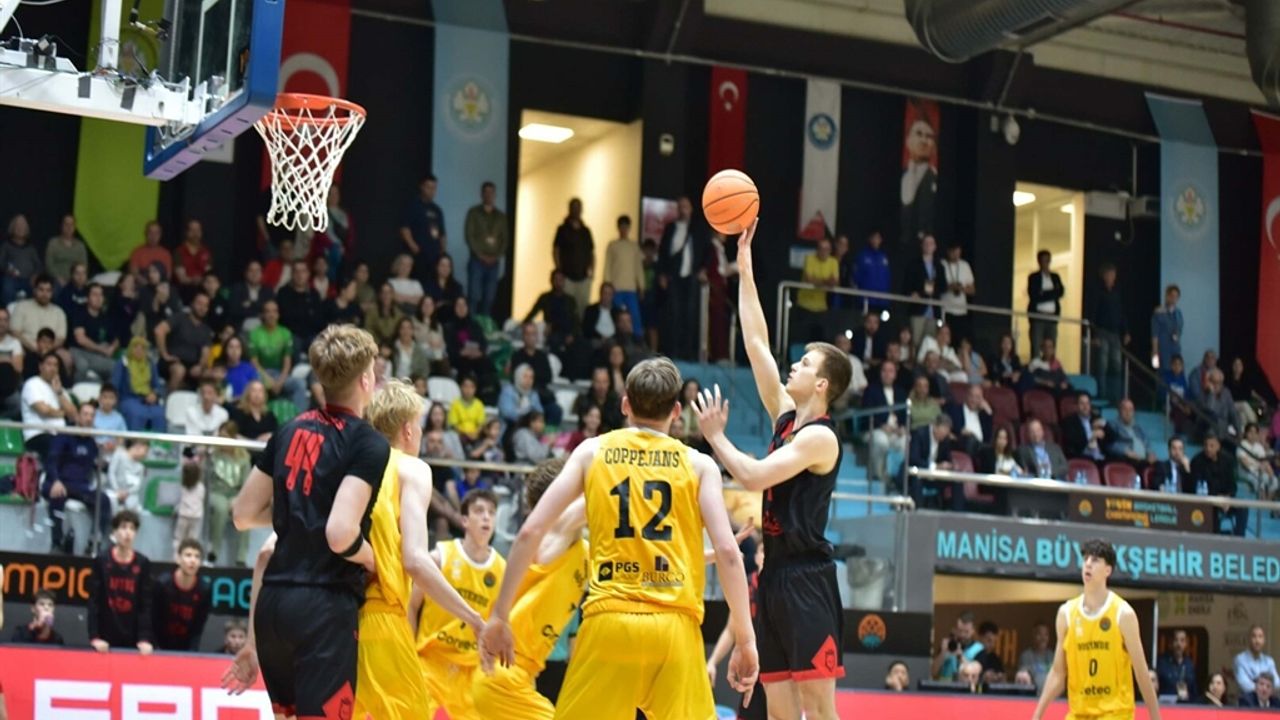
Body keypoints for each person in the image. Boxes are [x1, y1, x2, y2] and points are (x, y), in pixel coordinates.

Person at [478, 357, 759, 720]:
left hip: (609, 623)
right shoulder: (700, 465)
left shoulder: (591, 452)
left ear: (625, 404)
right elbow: (729, 553)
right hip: (674, 628)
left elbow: (530, 531)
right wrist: (745, 638)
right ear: (676, 411)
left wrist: (499, 615)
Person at [693, 219, 849, 719]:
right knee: (778, 709)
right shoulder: (786, 415)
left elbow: (755, 476)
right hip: (774, 575)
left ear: (822, 385)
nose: (794, 366)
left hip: (807, 578)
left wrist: (717, 438)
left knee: (818, 709)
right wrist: (745, 270)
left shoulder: (821, 437)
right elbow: (757, 344)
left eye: (804, 364)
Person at [226, 324, 391, 718]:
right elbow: (340, 533)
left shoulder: (288, 429)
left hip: (274, 606)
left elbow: (242, 514)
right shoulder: (367, 442)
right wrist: (375, 560)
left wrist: (294, 512)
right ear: (366, 380)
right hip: (323, 607)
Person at [354, 378, 489, 719]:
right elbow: (415, 560)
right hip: (380, 616)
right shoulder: (412, 468)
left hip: (335, 614)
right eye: (419, 424)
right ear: (407, 429)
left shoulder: (352, 466)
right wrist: (474, 619)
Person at [469, 456, 589, 719]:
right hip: (503, 679)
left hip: (517, 677)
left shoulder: (579, 547)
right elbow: (605, 493)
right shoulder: (553, 533)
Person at [1030, 538, 1161, 720]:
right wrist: (1036, 716)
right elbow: (1058, 673)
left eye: (1095, 560)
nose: (1088, 564)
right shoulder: (1066, 614)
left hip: (1115, 713)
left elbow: (1141, 672)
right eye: (1085, 559)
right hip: (1079, 714)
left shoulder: (1123, 614)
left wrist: (1156, 717)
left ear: (1108, 570)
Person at [411, 488, 505, 720]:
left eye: (491, 512)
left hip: (471, 674)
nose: (486, 517)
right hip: (431, 666)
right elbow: (411, 606)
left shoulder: (502, 570)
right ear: (464, 520)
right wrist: (408, 650)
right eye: (479, 511)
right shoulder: (439, 556)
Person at [44, 402, 110, 553]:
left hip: (80, 486)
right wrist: (55, 480)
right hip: (60, 482)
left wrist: (102, 461)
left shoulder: (92, 443)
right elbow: (52, 460)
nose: (88, 418)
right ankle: (57, 543)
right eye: (85, 414)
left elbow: (95, 464)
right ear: (78, 416)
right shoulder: (64, 435)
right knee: (58, 495)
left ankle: (94, 543)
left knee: (103, 500)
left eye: (92, 415)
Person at [87, 510, 154, 654]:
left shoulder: (143, 563)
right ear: (115, 532)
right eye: (123, 527)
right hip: (105, 636)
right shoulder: (101, 560)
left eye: (132, 528)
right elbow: (94, 601)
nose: (128, 533)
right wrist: (94, 636)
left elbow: (145, 605)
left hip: (133, 636)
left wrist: (144, 638)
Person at [657, 196, 708, 360]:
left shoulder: (698, 228)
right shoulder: (671, 228)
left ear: (691, 209)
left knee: (690, 315)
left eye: (686, 207)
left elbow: (705, 250)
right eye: (680, 207)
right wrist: (662, 273)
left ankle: (688, 352)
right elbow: (663, 252)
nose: (683, 210)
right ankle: (673, 351)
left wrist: (703, 269)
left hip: (691, 276)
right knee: (674, 314)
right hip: (674, 276)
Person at [153, 539, 212, 652]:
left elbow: (198, 627)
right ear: (178, 559)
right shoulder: (163, 584)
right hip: (160, 647)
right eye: (188, 555)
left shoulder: (204, 589)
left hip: (186, 649)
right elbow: (153, 620)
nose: (193, 560)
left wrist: (192, 652)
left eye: (197, 557)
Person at [248, 300, 308, 411]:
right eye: (268, 311)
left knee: (300, 384)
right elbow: (254, 362)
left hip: (280, 374)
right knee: (255, 384)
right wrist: (268, 380)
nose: (271, 315)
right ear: (263, 315)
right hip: (261, 373)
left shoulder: (285, 333)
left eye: (274, 311)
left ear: (278, 314)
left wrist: (280, 381)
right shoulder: (254, 334)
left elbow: (287, 362)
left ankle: (299, 418)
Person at [207, 421, 250, 566]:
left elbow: (247, 484)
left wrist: (238, 499)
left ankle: (241, 558)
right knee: (221, 507)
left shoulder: (244, 458)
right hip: (216, 492)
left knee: (245, 512)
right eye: (220, 436)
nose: (222, 441)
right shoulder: (213, 454)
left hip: (236, 493)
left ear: (233, 438)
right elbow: (206, 480)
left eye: (225, 437)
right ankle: (213, 552)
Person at [21, 351, 77, 460]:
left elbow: (74, 415)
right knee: (58, 446)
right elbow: (44, 410)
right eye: (49, 364)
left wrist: (59, 393)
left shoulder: (61, 390)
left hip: (59, 434)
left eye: (55, 365)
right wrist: (63, 413)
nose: (52, 368)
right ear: (41, 366)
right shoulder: (32, 384)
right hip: (38, 434)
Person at [465, 181, 508, 318]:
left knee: (489, 298)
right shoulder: (473, 213)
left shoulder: (501, 216)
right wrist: (480, 255)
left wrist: (496, 256)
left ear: (495, 195)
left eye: (491, 192)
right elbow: (469, 236)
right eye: (486, 192)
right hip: (477, 260)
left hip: (494, 262)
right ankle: (471, 325)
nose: (489, 195)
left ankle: (484, 326)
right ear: (482, 194)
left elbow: (505, 240)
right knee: (474, 296)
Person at [1191, 434, 1246, 536]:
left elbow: (1232, 484)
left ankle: (1239, 537)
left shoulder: (1228, 460)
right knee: (1212, 509)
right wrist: (1216, 498)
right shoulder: (1197, 461)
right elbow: (1197, 486)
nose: (1208, 449)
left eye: (1212, 446)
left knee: (1242, 506)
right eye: (1206, 445)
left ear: (1218, 446)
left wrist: (1228, 497)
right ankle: (1214, 535)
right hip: (1207, 498)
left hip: (1225, 499)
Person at [401, 174, 447, 286]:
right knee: (418, 284)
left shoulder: (437, 210)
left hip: (435, 256)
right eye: (429, 187)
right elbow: (404, 228)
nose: (431, 191)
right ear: (422, 187)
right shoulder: (413, 206)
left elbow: (442, 233)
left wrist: (442, 251)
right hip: (419, 255)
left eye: (434, 188)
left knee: (433, 285)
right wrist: (413, 246)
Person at [604, 214, 645, 338]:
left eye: (626, 227)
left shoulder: (634, 246)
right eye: (621, 226)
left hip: (631, 288)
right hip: (616, 288)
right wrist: (607, 285)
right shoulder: (612, 245)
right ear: (618, 228)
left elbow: (638, 268)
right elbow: (607, 266)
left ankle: (637, 341)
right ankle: (616, 340)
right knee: (616, 316)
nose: (624, 229)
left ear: (629, 228)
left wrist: (641, 286)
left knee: (635, 316)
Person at [903, 235, 945, 349]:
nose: (928, 246)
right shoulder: (914, 264)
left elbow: (943, 286)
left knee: (930, 344)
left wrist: (934, 290)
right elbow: (907, 285)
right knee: (916, 341)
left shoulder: (939, 266)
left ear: (935, 246)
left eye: (931, 243)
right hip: (918, 309)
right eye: (926, 243)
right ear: (922, 246)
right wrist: (913, 293)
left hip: (933, 310)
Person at [1027, 250, 1064, 353]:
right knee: (1036, 345)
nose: (1046, 263)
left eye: (1048, 260)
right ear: (1039, 262)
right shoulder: (1034, 277)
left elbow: (1061, 292)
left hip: (1052, 317)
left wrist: (1044, 293)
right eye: (1043, 260)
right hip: (1038, 316)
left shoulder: (1055, 277)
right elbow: (1034, 296)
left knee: (1051, 346)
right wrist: (1052, 293)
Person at [932, 613, 984, 681]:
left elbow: (976, 674)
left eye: (966, 632)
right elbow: (933, 672)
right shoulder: (948, 645)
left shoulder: (979, 649)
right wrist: (942, 654)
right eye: (960, 631)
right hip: (945, 686)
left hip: (965, 687)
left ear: (973, 631)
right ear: (954, 629)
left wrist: (960, 657)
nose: (962, 635)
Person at [940, 243, 975, 342]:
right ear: (948, 251)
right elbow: (938, 286)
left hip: (961, 311)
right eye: (953, 252)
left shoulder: (965, 265)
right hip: (946, 310)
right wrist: (951, 287)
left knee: (960, 339)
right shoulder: (942, 264)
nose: (956, 254)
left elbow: (972, 290)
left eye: (958, 252)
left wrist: (961, 288)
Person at [44, 213, 88, 287]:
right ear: (61, 226)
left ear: (75, 227)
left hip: (76, 281)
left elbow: (84, 265)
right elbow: (49, 265)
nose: (69, 227)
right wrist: (58, 278)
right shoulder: (53, 243)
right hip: (57, 281)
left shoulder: (80, 246)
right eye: (66, 224)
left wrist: (77, 279)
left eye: (71, 224)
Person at [106, 438, 148, 514]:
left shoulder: (140, 467)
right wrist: (117, 490)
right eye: (145, 450)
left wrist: (126, 492)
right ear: (138, 446)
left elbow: (137, 486)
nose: (145, 454)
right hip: (113, 491)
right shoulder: (119, 454)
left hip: (129, 495)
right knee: (111, 501)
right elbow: (111, 473)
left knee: (133, 504)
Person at [853, 231, 890, 316]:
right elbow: (856, 277)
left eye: (878, 238)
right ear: (869, 239)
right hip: (866, 300)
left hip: (881, 301)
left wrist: (885, 299)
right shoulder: (862, 255)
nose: (876, 240)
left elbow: (887, 279)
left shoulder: (883, 257)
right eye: (874, 237)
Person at [1156, 629, 1197, 702]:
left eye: (1182, 640)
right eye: (1176, 640)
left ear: (1186, 644)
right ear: (1170, 643)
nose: (1179, 644)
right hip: (1165, 703)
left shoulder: (1189, 664)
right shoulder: (1162, 662)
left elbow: (1193, 689)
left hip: (1185, 704)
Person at [1235, 625, 1279, 695]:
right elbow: (1244, 684)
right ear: (1249, 639)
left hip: (1266, 700)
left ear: (1264, 640)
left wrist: (1262, 688)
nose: (1257, 641)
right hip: (1248, 699)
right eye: (1254, 636)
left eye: (1260, 637)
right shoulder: (1240, 659)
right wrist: (1266, 688)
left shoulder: (1269, 661)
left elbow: (1277, 683)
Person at [173, 462, 205, 555]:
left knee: (178, 539)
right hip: (196, 517)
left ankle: (177, 557)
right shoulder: (201, 488)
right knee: (192, 541)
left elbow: (179, 501)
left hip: (183, 515)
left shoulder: (183, 487)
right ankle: (190, 556)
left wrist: (175, 510)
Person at [1151, 284, 1183, 371]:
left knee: (1176, 373)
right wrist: (1155, 352)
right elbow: (1154, 335)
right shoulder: (1158, 313)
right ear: (1167, 296)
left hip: (1175, 349)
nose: (1173, 299)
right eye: (1171, 296)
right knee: (1162, 373)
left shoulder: (1178, 314)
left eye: (1176, 297)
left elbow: (1179, 331)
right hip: (1162, 350)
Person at [448, 375, 486, 442]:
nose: (468, 390)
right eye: (465, 386)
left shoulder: (479, 404)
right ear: (461, 387)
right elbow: (453, 424)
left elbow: (481, 424)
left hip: (475, 437)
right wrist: (465, 434)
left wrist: (474, 434)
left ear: (475, 389)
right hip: (459, 436)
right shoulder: (455, 404)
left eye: (471, 387)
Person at [1019, 622, 1054, 691]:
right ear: (1033, 636)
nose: (1043, 638)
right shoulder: (1026, 656)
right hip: (1033, 696)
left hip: (1051, 695)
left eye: (1046, 634)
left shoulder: (1052, 656)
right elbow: (1023, 680)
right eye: (1039, 634)